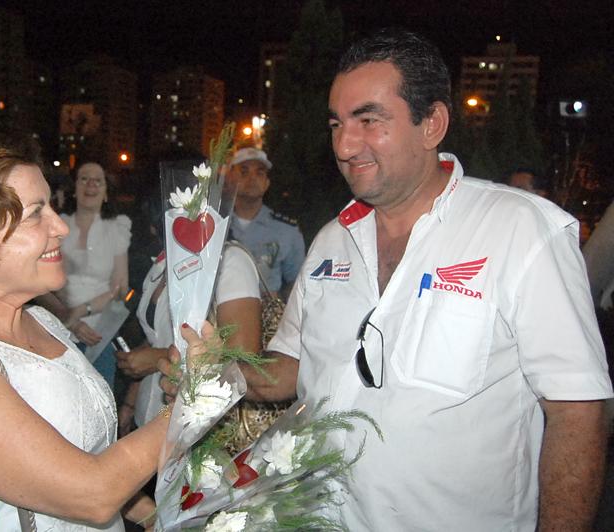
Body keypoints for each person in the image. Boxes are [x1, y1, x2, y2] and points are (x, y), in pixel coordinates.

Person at [259, 29, 611, 530]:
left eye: (368, 120)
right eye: (337, 123)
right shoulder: (331, 240)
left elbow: (578, 410)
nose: (344, 144)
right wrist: (216, 371)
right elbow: (290, 365)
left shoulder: (520, 230)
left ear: (433, 124)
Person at [0, 134, 213, 530]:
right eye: (36, 213)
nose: (60, 227)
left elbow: (70, 457)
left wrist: (150, 516)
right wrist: (191, 400)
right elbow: (92, 493)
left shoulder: (42, 321)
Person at [116, 188, 263, 434]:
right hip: (150, 416)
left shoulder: (228, 260)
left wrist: (158, 358)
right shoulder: (162, 264)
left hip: (198, 425)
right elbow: (155, 337)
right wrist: (131, 402)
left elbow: (244, 358)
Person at [37, 162, 131, 387]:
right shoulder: (56, 227)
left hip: (99, 335)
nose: (91, 185)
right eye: (84, 179)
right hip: (56, 328)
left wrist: (81, 311)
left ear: (106, 191)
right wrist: (70, 319)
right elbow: (39, 284)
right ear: (74, 188)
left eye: (98, 180)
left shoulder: (116, 228)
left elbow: (121, 288)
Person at [225, 147, 305, 300]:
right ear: (230, 179)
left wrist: (279, 301)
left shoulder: (286, 230)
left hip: (267, 312)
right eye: (244, 172)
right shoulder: (215, 225)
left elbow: (298, 282)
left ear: (267, 183)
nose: (252, 178)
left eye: (259, 173)